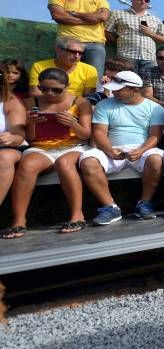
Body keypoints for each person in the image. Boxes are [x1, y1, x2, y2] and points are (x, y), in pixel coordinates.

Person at [2, 68, 92, 238]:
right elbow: (29, 138)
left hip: (73, 146)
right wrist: (32, 123)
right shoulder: (30, 102)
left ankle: (77, 215)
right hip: (42, 147)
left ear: (67, 86)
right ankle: (19, 221)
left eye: (56, 90)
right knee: (27, 165)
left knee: (64, 163)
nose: (49, 93)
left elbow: (86, 134)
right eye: (44, 89)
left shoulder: (80, 102)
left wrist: (73, 124)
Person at [78, 71, 164, 225]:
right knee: (88, 162)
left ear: (134, 89)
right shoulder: (103, 104)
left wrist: (141, 150)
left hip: (141, 150)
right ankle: (110, 207)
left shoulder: (155, 108)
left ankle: (144, 203)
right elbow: (99, 133)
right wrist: (110, 150)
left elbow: (155, 136)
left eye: (119, 89)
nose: (113, 92)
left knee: (156, 159)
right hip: (111, 149)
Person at [47, 0, 110, 78]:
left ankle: (92, 96)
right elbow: (58, 16)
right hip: (67, 42)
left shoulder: (101, 0)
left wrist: (75, 13)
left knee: (94, 79)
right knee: (61, 78)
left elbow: (102, 17)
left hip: (95, 44)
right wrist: (91, 20)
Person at [104, 0, 164, 75]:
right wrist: (118, 40)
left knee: (148, 87)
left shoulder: (155, 19)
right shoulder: (117, 13)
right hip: (126, 56)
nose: (143, 1)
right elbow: (106, 31)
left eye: (147, 0)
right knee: (125, 84)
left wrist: (151, 33)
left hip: (149, 58)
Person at [29, 37, 97, 97]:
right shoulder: (39, 66)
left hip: (75, 108)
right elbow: (35, 93)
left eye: (80, 53)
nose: (77, 56)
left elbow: (89, 99)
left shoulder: (90, 70)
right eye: (72, 52)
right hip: (44, 105)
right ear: (58, 50)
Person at [0, 67, 25, 210]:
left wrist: (11, 137)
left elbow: (19, 137)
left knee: (4, 157)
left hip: (10, 148)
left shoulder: (11, 102)